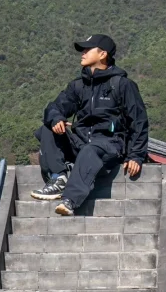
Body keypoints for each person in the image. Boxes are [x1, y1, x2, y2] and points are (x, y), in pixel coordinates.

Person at [31, 34, 148, 216]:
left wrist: (136, 155)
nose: (83, 53)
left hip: (110, 145)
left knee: (91, 149)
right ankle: (58, 178)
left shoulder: (122, 85)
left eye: (87, 49)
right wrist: (56, 119)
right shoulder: (78, 86)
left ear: (102, 54)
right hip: (82, 143)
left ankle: (70, 200)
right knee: (47, 128)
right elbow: (54, 107)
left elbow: (138, 120)